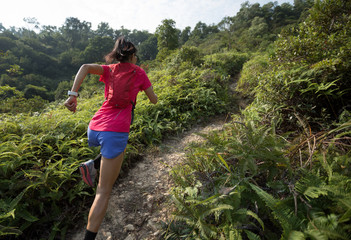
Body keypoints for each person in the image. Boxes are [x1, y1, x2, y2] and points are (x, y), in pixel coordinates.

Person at [64, 36, 158, 240]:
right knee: (103, 192)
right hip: (115, 131)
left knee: (114, 152)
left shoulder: (110, 69)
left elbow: (85, 67)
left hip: (95, 126)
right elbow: (153, 100)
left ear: (117, 55)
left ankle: (94, 164)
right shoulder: (139, 72)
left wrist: (73, 95)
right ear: (132, 56)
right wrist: (145, 90)